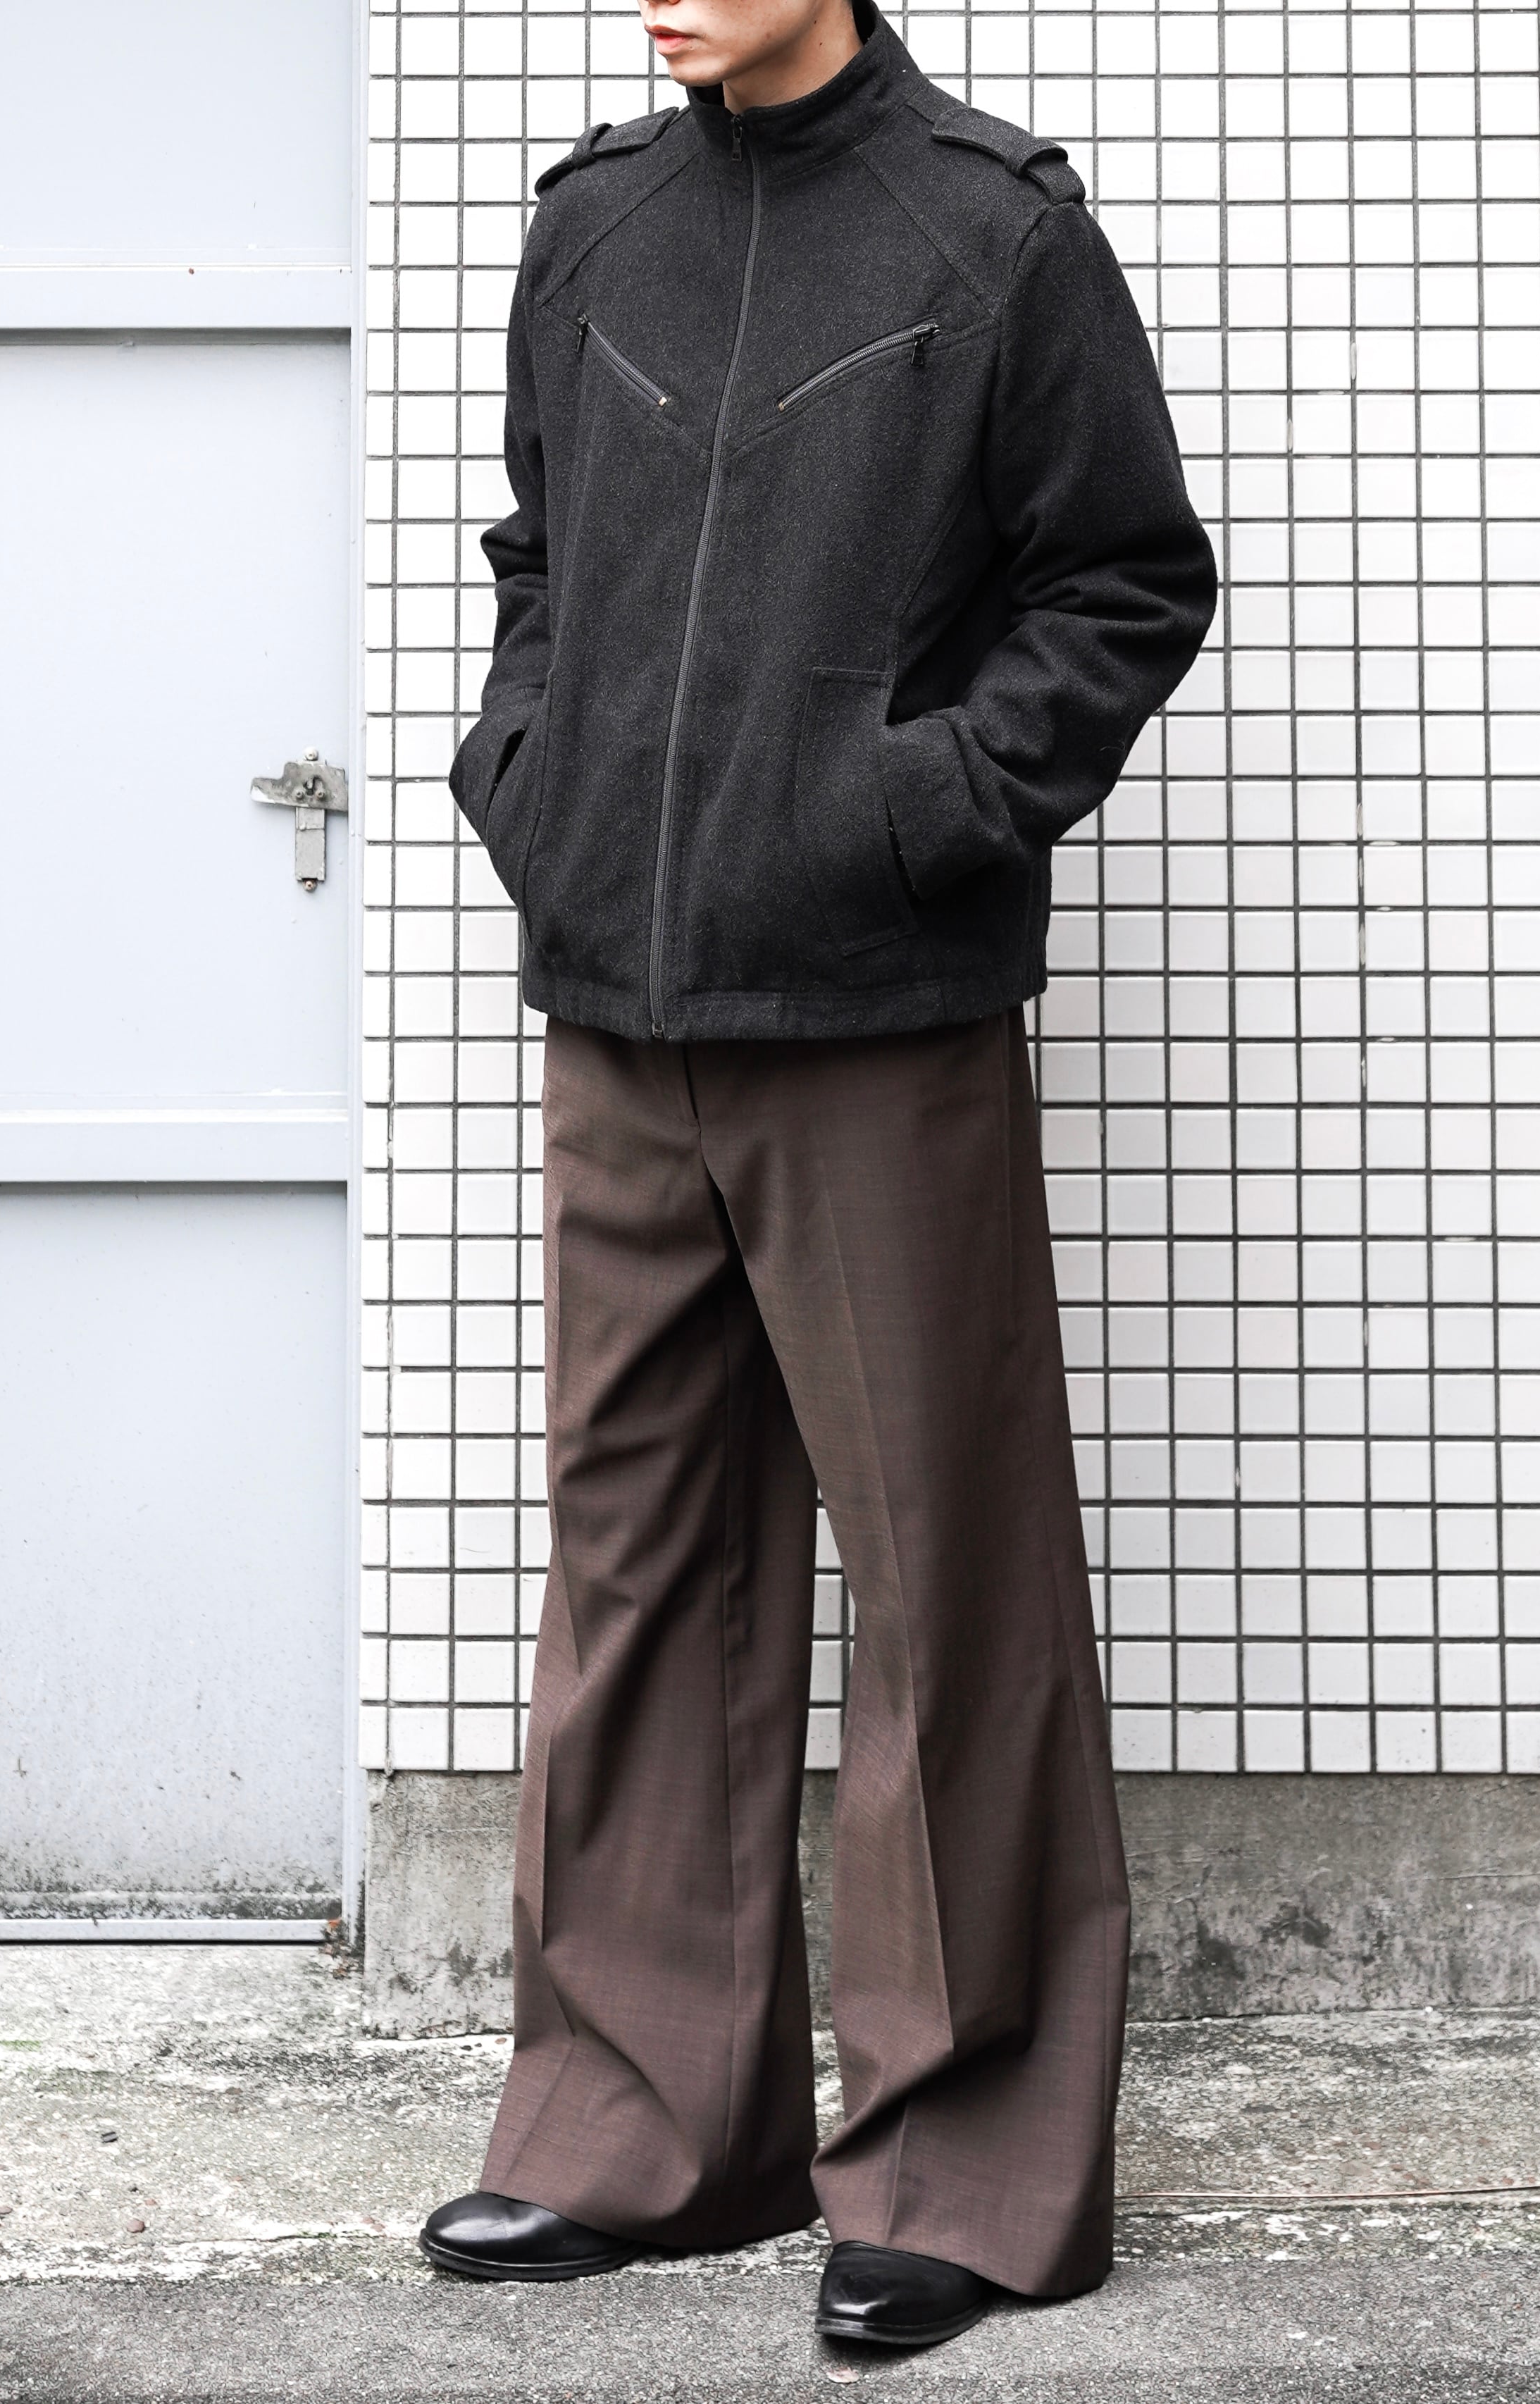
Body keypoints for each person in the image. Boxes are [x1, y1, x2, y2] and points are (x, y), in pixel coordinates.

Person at [418, 0, 1216, 2350]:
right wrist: (531, 771)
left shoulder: (991, 230)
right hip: (618, 1003)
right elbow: (542, 555)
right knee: (635, 1565)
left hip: (876, 1010)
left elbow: (1122, 582)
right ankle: (641, 2128)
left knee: (948, 1579)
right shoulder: (596, 224)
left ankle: (965, 2166)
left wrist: (904, 812)